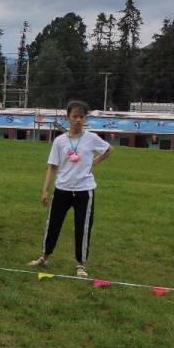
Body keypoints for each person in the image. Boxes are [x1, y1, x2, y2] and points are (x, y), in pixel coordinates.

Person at [27, 101, 111, 278]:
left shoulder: (92, 138)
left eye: (81, 116)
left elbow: (109, 149)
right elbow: (52, 166)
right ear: (68, 118)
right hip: (62, 189)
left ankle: (81, 264)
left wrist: (95, 162)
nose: (78, 120)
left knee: (82, 227)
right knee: (53, 224)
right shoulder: (60, 141)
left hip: (84, 191)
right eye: (75, 116)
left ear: (85, 118)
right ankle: (44, 257)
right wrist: (45, 190)